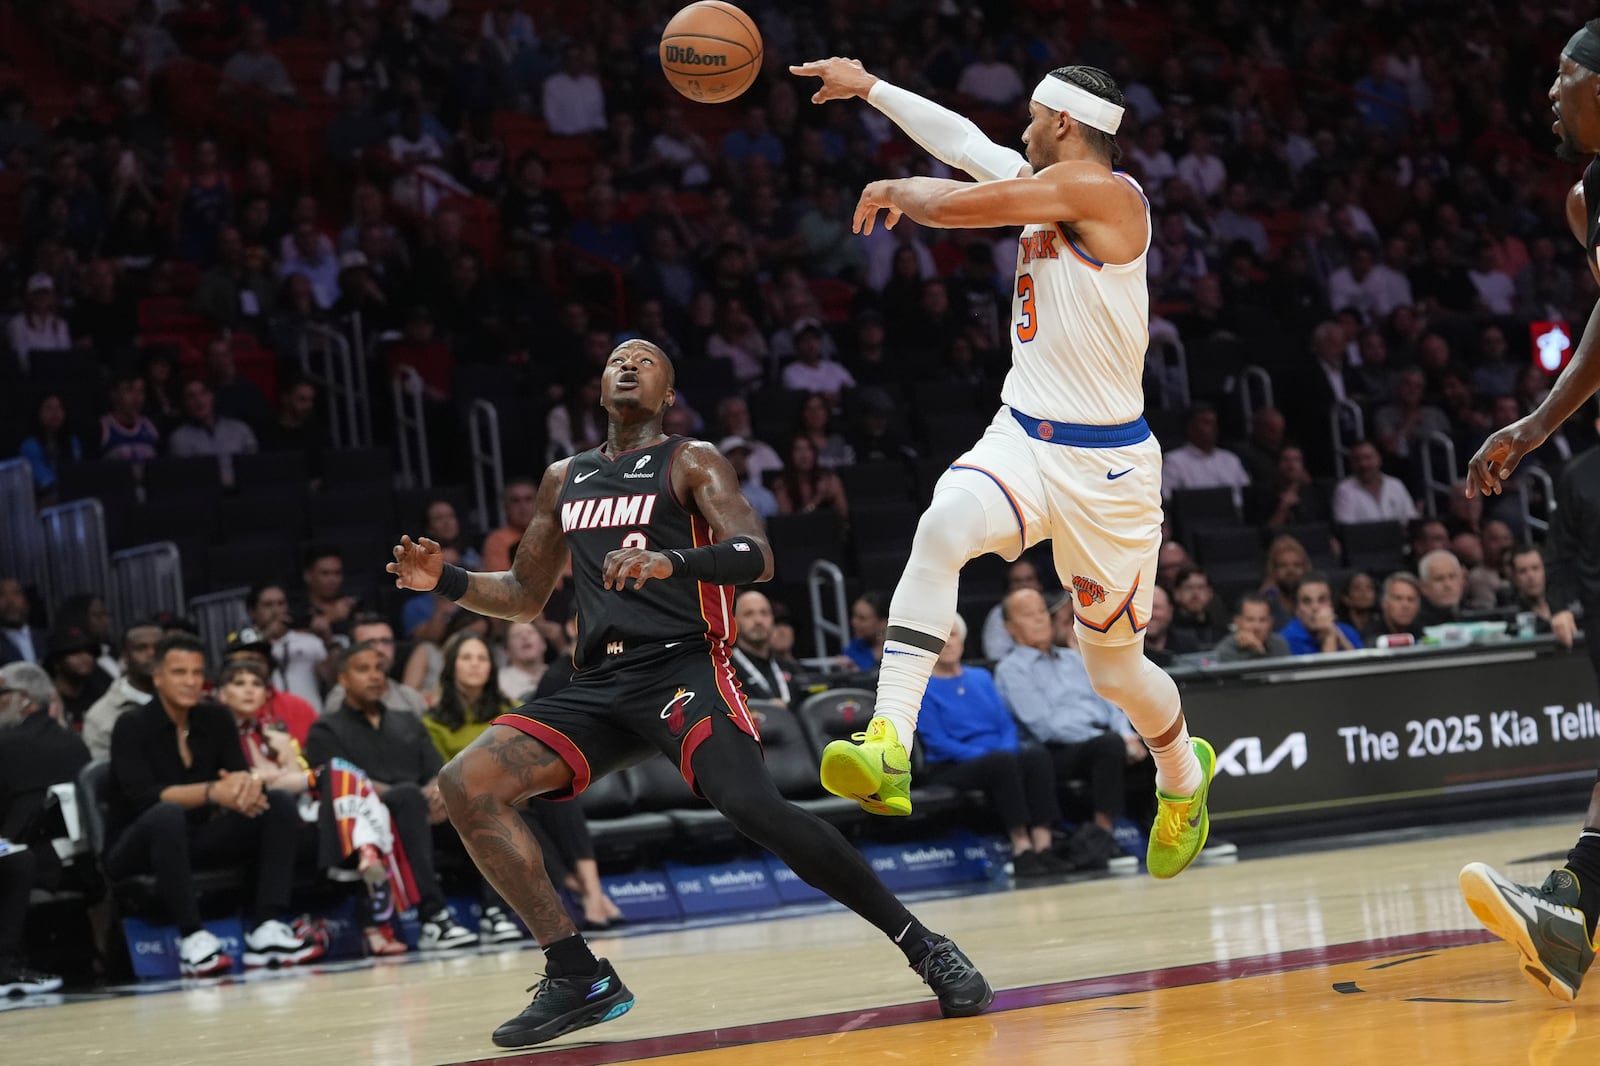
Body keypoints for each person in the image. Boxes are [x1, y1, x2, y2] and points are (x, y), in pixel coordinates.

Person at [386, 340, 991, 1048]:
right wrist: (447, 583)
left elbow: (756, 555)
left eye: (646, 360)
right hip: (599, 681)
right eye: (617, 358)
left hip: (683, 667)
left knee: (754, 807)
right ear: (598, 384)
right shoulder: (564, 478)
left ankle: (924, 945)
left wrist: (669, 560)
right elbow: (524, 596)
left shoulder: (691, 459)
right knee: (466, 783)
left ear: (668, 392)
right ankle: (577, 972)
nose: (628, 365)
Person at [793, 57, 1211, 877]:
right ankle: (888, 744)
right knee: (940, 528)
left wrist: (898, 190)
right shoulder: (1045, 183)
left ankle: (1182, 779)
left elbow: (956, 202)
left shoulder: (1110, 195)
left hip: (1108, 469)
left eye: (1030, 118)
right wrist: (870, 87)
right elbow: (963, 143)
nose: (1020, 131)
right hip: (1023, 435)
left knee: (1114, 670)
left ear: (1062, 123)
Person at [1464, 29, 1600, 978]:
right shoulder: (1589, 201)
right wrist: (1540, 425)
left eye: (1567, 73)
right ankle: (1572, 908)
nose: (1551, 89)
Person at [104, 634, 325, 976]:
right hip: (137, 843)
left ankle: (266, 926)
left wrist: (244, 790)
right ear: (158, 676)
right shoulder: (131, 725)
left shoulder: (216, 718)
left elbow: (236, 776)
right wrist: (212, 792)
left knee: (278, 804)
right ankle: (192, 937)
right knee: (166, 814)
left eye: (196, 673)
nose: (190, 682)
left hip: (198, 835)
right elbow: (143, 798)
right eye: (180, 673)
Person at [305, 643, 480, 953]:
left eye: (379, 669)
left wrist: (437, 792)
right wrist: (415, 796)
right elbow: (344, 783)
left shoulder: (407, 720)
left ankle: (497, 912)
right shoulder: (325, 729)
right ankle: (433, 918)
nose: (374, 677)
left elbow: (436, 770)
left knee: (478, 805)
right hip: (366, 827)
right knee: (408, 797)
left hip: (423, 815)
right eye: (363, 670)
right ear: (343, 679)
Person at [994, 589, 1144, 853]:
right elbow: (1045, 727)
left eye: (1042, 611)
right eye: (1029, 615)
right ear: (1009, 627)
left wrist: (1127, 733)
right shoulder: (1011, 669)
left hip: (1103, 739)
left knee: (1161, 747)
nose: (1040, 619)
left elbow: (1111, 701)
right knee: (1108, 746)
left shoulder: (1074, 659)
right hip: (1055, 753)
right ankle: (1102, 838)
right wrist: (1115, 739)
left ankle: (1170, 831)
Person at [918, 614, 1069, 877]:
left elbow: (1005, 724)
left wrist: (1005, 749)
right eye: (939, 637)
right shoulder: (922, 686)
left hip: (998, 756)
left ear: (962, 640)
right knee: (1001, 762)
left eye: (952, 635)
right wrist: (987, 755)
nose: (948, 643)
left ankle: (1043, 843)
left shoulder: (981, 678)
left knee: (1035, 756)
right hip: (951, 764)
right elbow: (938, 742)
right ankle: (1021, 846)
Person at [0, 662, 89, 995]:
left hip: (27, 862)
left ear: (23, 700)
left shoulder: (5, 745)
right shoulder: (74, 741)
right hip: (80, 865)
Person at [83, 620, 162, 760]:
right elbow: (103, 775)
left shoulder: (185, 699)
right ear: (125, 656)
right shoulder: (100, 716)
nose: (151, 653)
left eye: (159, 647)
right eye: (141, 648)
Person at [322, 615, 429, 716]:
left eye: (386, 642)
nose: (380, 650)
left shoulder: (410, 698)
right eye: (370, 643)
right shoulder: (342, 698)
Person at [1332, 440, 1418, 526]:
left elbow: (1411, 518)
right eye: (1357, 460)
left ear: (1379, 459)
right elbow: (1346, 528)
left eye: (1368, 458)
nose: (1363, 464)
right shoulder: (1345, 490)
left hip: (1398, 538)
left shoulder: (1395, 484)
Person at [729, 590, 792, 705]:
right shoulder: (725, 670)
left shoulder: (788, 667)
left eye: (764, 613)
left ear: (772, 619)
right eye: (748, 614)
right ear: (734, 622)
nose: (758, 621)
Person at [1278, 573, 1362, 655]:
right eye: (1306, 601)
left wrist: (1341, 639)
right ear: (1296, 608)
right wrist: (1329, 635)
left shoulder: (1349, 632)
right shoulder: (1285, 641)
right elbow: (1327, 669)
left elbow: (1362, 667)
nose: (1315, 607)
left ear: (1332, 604)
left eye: (1322, 600)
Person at [1210, 593, 1291, 662]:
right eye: (1250, 620)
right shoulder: (1225, 651)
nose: (1257, 627)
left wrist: (1260, 650)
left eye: (1262, 620)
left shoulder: (1280, 645)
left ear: (1271, 622)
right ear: (1237, 622)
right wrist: (1256, 651)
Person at [483, 477, 537, 573]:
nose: (523, 507)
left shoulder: (555, 536)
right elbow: (500, 581)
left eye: (528, 499)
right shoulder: (497, 541)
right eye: (515, 501)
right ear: (506, 507)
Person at [1361, 573, 1425, 645]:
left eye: (1411, 599)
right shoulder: (1371, 633)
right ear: (1384, 603)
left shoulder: (1419, 632)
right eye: (1398, 598)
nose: (1405, 605)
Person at [0, 580, 45, 668]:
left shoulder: (48, 639)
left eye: (16, 593)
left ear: (27, 604)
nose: (10, 601)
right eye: (1, 595)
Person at [1416, 549, 1467, 627]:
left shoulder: (1474, 612)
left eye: (1452, 577)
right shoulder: (1415, 623)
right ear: (1424, 587)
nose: (1447, 585)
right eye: (1439, 579)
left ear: (1462, 580)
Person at [498, 622, 548, 700]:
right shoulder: (499, 682)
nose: (525, 637)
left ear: (543, 644)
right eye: (517, 635)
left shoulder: (559, 676)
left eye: (530, 632)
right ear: (507, 651)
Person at [841, 591, 888, 671]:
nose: (854, 622)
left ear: (883, 623)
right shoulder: (854, 648)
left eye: (862, 618)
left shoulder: (897, 651)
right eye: (854, 616)